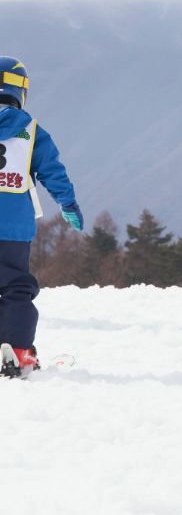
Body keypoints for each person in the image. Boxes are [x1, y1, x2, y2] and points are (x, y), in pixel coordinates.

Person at [0, 57, 83, 379]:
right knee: (14, 288)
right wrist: (68, 204)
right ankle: (18, 350)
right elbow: (53, 172)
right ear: (20, 91)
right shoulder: (31, 131)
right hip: (12, 229)